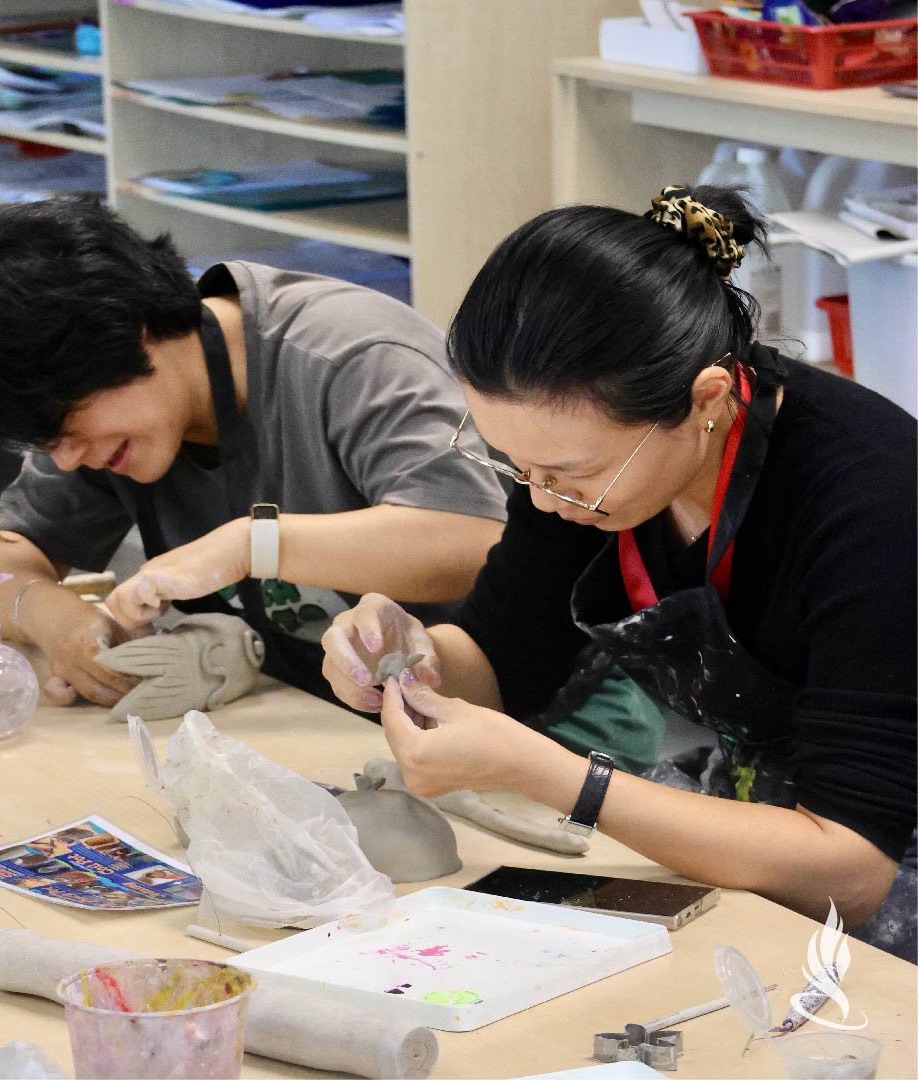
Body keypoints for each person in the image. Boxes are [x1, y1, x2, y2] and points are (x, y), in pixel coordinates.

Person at [322, 185, 917, 959]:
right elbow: (506, 661)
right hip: (769, 805)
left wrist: (564, 779)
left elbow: (850, 867)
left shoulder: (872, 504)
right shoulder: (578, 470)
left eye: (568, 473)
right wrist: (411, 659)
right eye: (516, 465)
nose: (541, 497)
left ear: (705, 400)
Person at [0, 198, 507, 707]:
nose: (69, 459)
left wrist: (250, 545)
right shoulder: (105, 414)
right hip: (299, 711)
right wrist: (61, 623)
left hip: (493, 719)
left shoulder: (350, 357)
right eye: (46, 443)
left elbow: (472, 540)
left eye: (65, 429)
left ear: (126, 332)